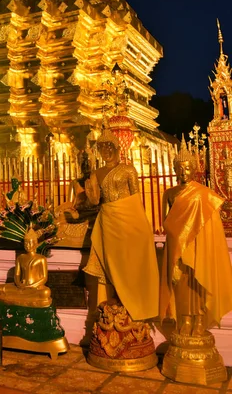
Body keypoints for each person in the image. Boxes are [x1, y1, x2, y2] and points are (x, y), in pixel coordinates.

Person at [83, 128, 159, 321]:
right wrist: (91, 195)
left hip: (129, 219)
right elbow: (95, 201)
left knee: (130, 261)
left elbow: (135, 200)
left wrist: (143, 226)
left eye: (109, 147)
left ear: (117, 148)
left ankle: (132, 300)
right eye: (102, 148)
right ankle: (116, 297)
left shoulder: (128, 170)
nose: (106, 152)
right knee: (112, 263)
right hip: (108, 220)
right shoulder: (97, 173)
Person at [160, 138, 232, 335]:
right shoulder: (169, 193)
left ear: (194, 169)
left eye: (187, 168)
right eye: (180, 168)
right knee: (182, 286)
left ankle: (199, 321)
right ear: (174, 169)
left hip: (196, 245)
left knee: (197, 284)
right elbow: (166, 221)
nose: (184, 172)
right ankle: (184, 320)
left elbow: (209, 221)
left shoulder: (202, 194)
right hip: (177, 246)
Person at [0, 227, 52, 308]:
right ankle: (25, 298)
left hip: (35, 288)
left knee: (45, 292)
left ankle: (23, 297)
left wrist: (32, 286)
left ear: (36, 243)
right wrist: (19, 285)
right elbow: (17, 275)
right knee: (0, 288)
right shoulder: (20, 257)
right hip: (21, 287)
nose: (28, 245)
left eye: (30, 243)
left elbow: (44, 278)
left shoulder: (41, 258)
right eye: (26, 243)